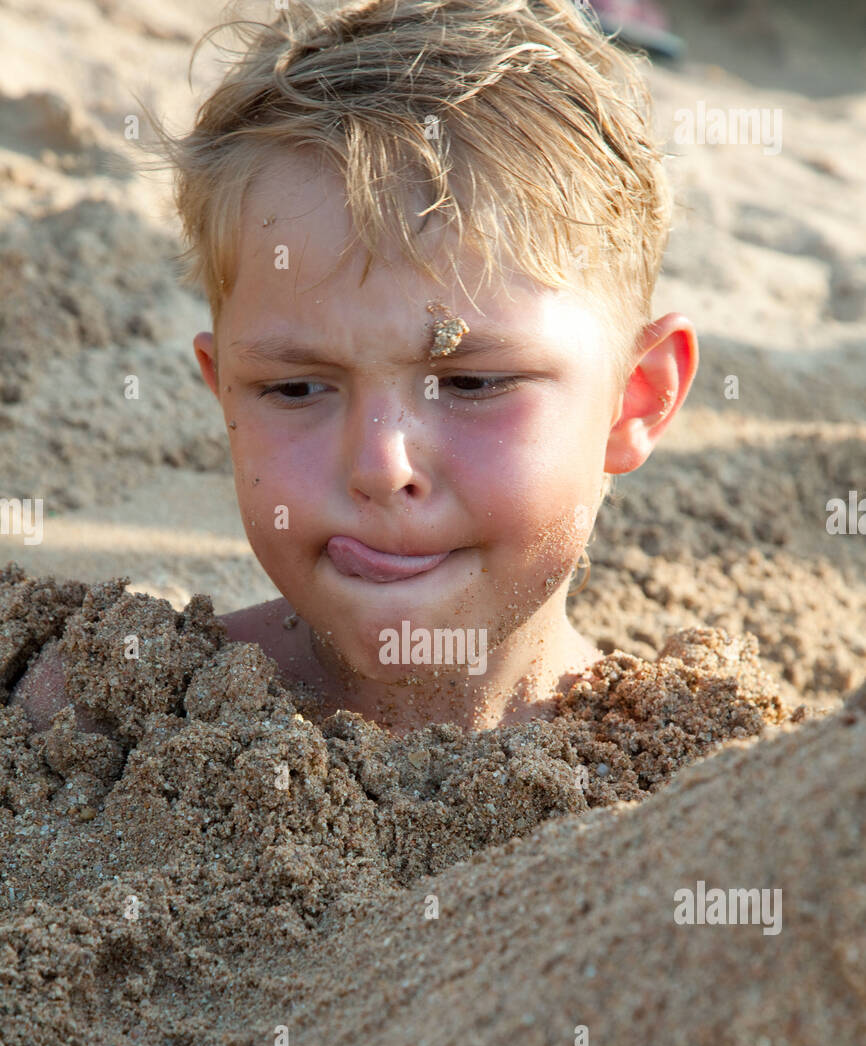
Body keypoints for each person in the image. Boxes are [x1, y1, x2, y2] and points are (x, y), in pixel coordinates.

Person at [13, 0, 697, 733]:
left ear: (636, 398)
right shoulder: (97, 714)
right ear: (227, 397)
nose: (380, 465)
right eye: (296, 388)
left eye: (471, 382)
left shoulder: (705, 786)